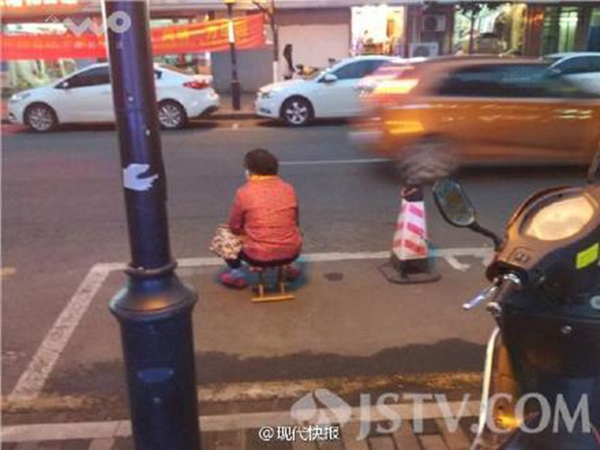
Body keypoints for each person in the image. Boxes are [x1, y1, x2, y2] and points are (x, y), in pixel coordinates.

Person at [219, 149, 302, 289]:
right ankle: (288, 268)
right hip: (291, 253)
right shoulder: (288, 188)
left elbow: (234, 226)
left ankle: (236, 275)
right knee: (291, 229)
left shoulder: (244, 192)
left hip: (256, 256)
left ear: (251, 171)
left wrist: (248, 231)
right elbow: (295, 220)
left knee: (224, 235)